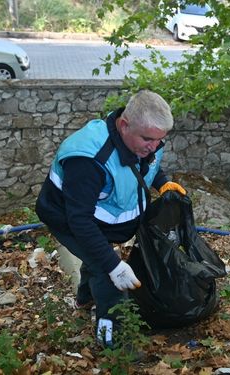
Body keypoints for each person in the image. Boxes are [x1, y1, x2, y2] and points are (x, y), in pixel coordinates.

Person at [35, 90, 186, 347]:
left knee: (96, 257)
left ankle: (84, 299)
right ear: (124, 125)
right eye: (149, 139)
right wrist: (113, 266)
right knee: (109, 276)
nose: (155, 146)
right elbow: (79, 222)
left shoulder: (146, 139)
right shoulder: (88, 160)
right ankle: (114, 343)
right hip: (67, 219)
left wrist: (162, 183)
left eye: (161, 140)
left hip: (100, 216)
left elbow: (149, 163)